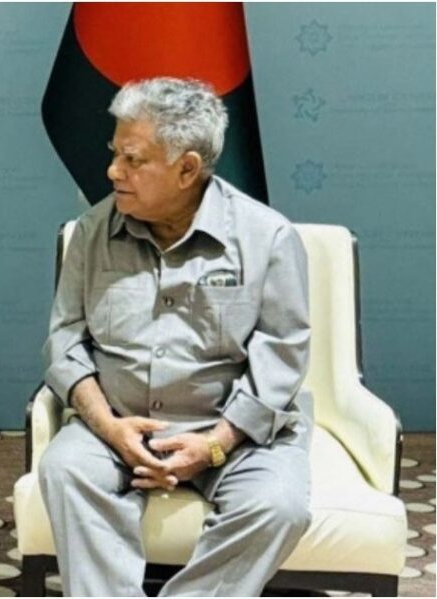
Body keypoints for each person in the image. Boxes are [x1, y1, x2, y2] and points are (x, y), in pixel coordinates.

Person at [38, 77, 313, 596]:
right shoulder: (93, 232)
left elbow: (281, 358)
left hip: (233, 434)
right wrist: (108, 426)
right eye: (114, 153)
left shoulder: (268, 238)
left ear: (187, 169)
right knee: (66, 469)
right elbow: (65, 343)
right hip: (117, 425)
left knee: (279, 506)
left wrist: (214, 445)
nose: (112, 171)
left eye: (133, 159)